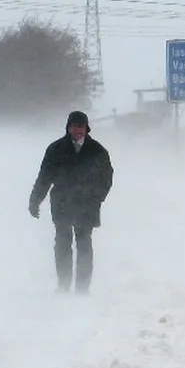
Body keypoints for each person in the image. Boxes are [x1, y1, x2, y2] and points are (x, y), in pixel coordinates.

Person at [28, 110, 114, 295]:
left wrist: (96, 197)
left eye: (81, 126)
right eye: (74, 126)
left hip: (87, 205)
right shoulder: (55, 149)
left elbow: (106, 179)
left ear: (87, 128)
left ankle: (82, 289)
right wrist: (35, 200)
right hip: (62, 203)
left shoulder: (98, 151)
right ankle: (63, 285)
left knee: (84, 244)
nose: (78, 130)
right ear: (68, 127)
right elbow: (44, 178)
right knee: (62, 243)